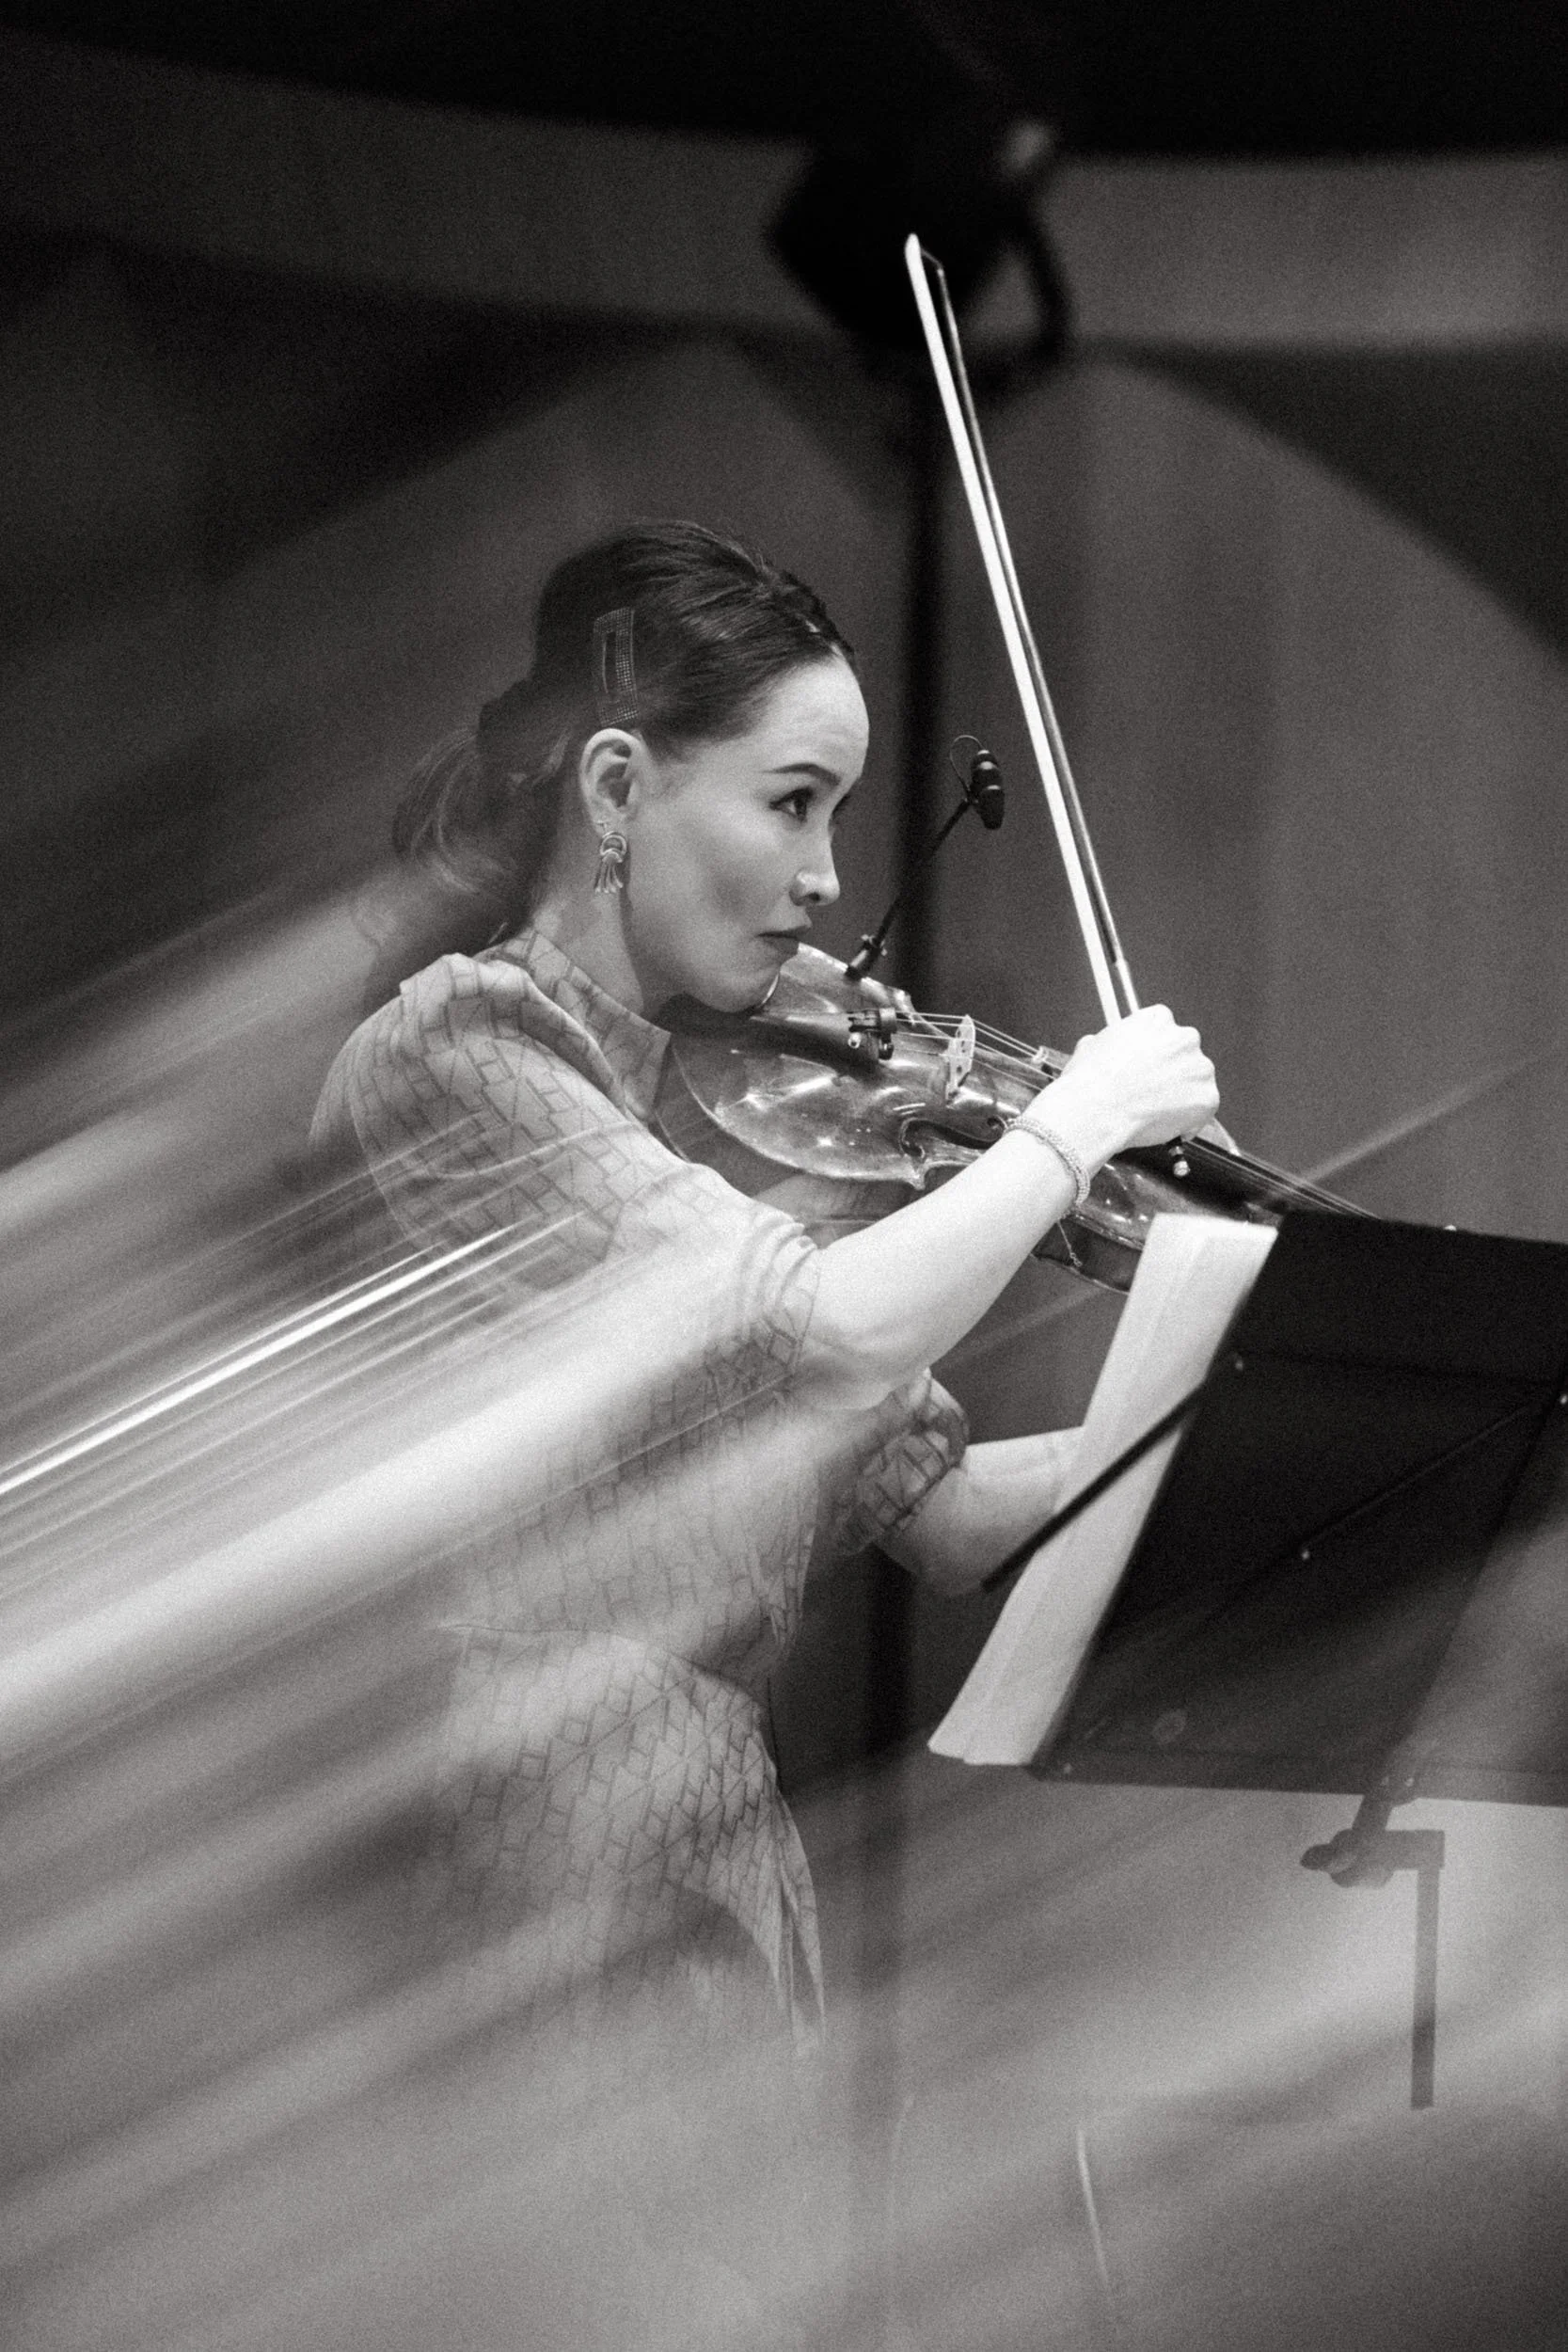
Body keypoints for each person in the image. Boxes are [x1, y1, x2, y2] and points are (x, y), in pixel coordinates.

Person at [309, 520, 1216, 2333]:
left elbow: (950, 1518)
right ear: (617, 789)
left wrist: (1235, 1399)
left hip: (702, 1852)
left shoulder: (659, 1127)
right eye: (793, 803)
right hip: (536, 1849)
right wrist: (1068, 1130)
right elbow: (824, 1330)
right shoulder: (459, 1055)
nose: (825, 879)